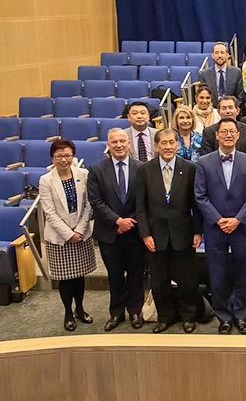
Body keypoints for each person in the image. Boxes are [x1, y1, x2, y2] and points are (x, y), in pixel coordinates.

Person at [194, 118, 246, 334]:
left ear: (239, 135)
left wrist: (238, 219)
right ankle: (222, 316)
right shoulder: (204, 162)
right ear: (217, 135)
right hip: (215, 228)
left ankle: (242, 315)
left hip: (241, 227)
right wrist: (218, 219)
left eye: (233, 131)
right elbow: (200, 195)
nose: (229, 135)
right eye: (225, 131)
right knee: (217, 274)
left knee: (243, 273)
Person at [134, 128, 202, 333]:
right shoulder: (145, 170)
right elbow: (141, 206)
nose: (168, 146)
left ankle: (188, 316)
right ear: (156, 146)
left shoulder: (189, 168)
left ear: (177, 144)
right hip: (156, 236)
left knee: (186, 280)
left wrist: (198, 231)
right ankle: (165, 317)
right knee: (159, 281)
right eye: (163, 143)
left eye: (172, 142)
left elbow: (196, 204)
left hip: (183, 233)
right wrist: (145, 234)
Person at [87, 128, 145, 331]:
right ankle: (116, 313)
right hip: (109, 233)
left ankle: (136, 311)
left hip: (136, 232)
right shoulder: (96, 170)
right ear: (108, 145)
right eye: (114, 142)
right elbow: (96, 201)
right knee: (115, 275)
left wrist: (130, 221)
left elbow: (144, 201)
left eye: (122, 141)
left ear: (129, 144)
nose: (119, 145)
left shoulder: (142, 168)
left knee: (137, 274)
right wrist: (117, 221)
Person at [40, 140, 96, 332]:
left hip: (81, 233)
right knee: (65, 278)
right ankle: (68, 313)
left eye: (68, 155)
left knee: (79, 276)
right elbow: (49, 212)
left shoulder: (83, 174)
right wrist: (68, 234)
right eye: (59, 156)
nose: (64, 160)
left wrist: (79, 230)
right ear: (52, 158)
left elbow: (89, 205)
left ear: (73, 156)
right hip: (59, 237)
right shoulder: (46, 180)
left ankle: (80, 309)